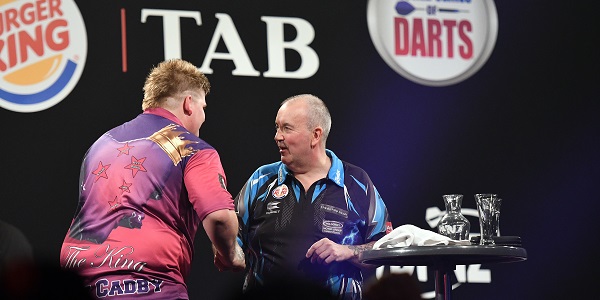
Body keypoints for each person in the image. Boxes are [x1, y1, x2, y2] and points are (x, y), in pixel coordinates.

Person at [60, 59, 244, 299]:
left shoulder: (101, 144)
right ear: (189, 104)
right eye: (203, 108)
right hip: (149, 284)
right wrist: (230, 254)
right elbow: (219, 218)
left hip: (79, 282)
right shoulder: (192, 147)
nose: (203, 118)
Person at [234, 94, 392, 299]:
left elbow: (386, 247)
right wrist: (231, 252)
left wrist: (347, 251)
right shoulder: (262, 179)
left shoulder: (356, 182)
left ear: (316, 135)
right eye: (277, 127)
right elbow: (231, 233)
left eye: (286, 128)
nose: (277, 136)